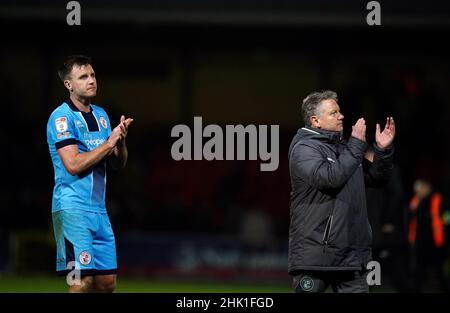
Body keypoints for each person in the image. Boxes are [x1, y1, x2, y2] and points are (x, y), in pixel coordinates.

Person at [288, 90, 395, 293]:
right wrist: (356, 144)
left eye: (340, 111)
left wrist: (382, 150)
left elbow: (376, 179)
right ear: (315, 121)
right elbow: (330, 178)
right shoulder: (303, 149)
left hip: (353, 256)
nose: (341, 116)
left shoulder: (344, 148)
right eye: (334, 113)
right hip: (317, 256)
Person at [47, 55, 133, 292]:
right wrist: (108, 144)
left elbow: (117, 165)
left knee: (106, 284)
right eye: (83, 76)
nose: (91, 80)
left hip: (98, 210)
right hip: (73, 208)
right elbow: (73, 164)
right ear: (69, 85)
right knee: (81, 280)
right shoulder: (61, 118)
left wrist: (121, 143)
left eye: (92, 75)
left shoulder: (102, 115)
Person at [408, 179, 449, 292]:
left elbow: (445, 215)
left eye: (420, 188)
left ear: (427, 188)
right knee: (418, 269)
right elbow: (410, 217)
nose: (417, 191)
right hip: (419, 241)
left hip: (435, 241)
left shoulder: (437, 198)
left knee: (438, 269)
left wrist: (445, 223)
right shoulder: (415, 201)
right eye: (416, 189)